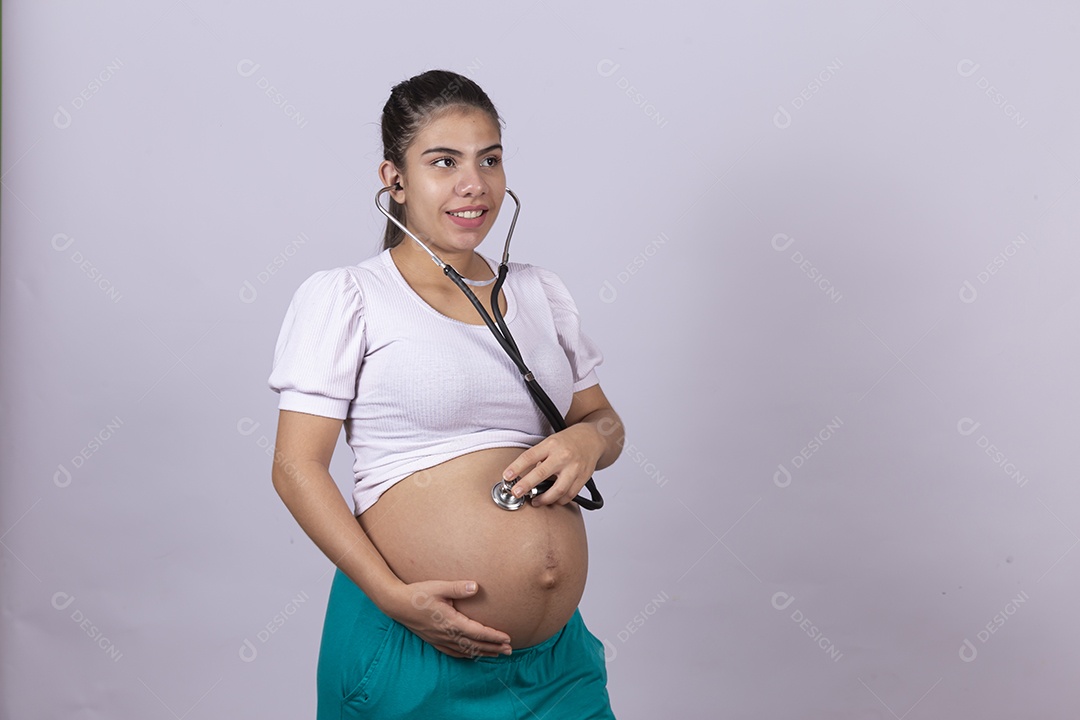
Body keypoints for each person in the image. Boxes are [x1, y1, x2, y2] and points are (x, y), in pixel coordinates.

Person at [268, 69, 625, 719]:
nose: (474, 183)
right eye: (444, 161)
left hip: (555, 665)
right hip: (414, 650)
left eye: (490, 159)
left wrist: (585, 440)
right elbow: (296, 468)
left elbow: (604, 423)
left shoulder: (541, 293)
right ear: (394, 180)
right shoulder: (347, 297)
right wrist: (390, 596)